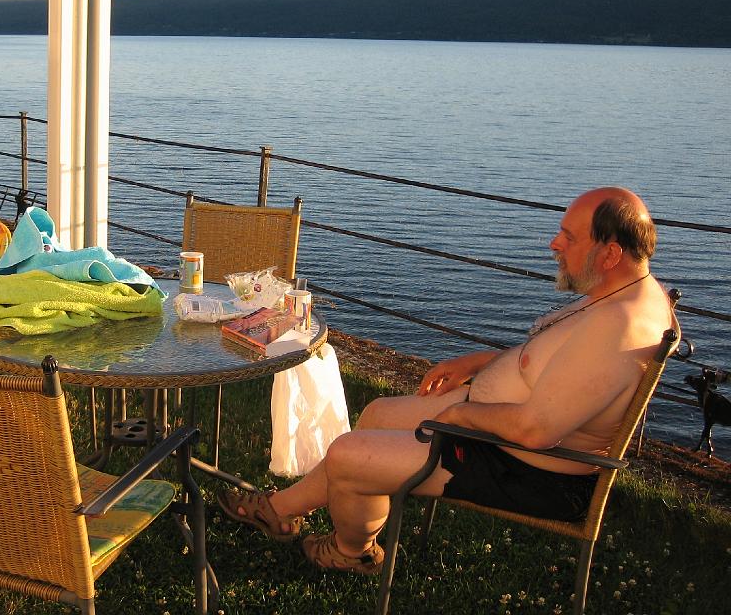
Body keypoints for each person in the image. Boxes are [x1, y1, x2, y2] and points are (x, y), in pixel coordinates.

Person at [219, 186, 677, 574]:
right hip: (504, 438)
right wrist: (484, 362)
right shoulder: (621, 294)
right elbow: (567, 368)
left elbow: (537, 431)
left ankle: (350, 551)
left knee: (347, 455)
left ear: (611, 252)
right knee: (377, 413)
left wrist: (460, 413)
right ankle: (283, 512)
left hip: (525, 468)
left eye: (569, 237)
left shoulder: (622, 327)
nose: (554, 244)